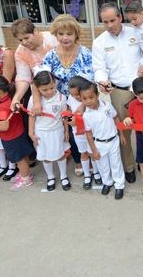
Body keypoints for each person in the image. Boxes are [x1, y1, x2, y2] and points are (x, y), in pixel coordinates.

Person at [92, 2, 143, 184]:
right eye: (105, 22)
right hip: (120, 92)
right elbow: (99, 68)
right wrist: (102, 82)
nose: (109, 25)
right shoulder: (99, 42)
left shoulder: (136, 33)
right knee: (124, 132)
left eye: (112, 20)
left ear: (120, 17)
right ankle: (129, 168)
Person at [41, 14, 94, 177]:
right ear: (55, 35)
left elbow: (92, 80)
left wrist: (83, 104)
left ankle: (90, 157)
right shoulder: (50, 55)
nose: (65, 37)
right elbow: (41, 77)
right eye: (61, 34)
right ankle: (78, 160)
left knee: (85, 129)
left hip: (82, 100)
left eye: (69, 34)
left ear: (76, 35)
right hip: (61, 102)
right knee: (70, 132)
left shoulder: (85, 53)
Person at [0, 75, 33, 191]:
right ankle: (26, 173)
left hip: (12, 137)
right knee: (23, 156)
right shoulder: (9, 99)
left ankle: (25, 178)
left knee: (19, 158)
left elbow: (4, 126)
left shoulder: (2, 106)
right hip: (18, 133)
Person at [81, 78, 127, 200]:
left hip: (113, 140)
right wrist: (93, 150)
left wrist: (121, 134)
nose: (88, 101)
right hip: (99, 144)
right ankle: (107, 182)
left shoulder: (107, 105)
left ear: (97, 95)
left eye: (91, 97)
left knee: (116, 164)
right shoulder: (86, 115)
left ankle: (119, 185)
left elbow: (116, 118)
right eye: (84, 99)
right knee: (103, 165)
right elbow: (89, 134)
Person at [28, 68, 71, 191]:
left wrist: (66, 130)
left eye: (52, 88)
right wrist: (31, 133)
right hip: (41, 132)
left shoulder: (61, 98)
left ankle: (63, 176)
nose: (49, 92)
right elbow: (32, 116)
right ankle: (50, 177)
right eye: (44, 90)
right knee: (45, 157)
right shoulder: (34, 100)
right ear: (37, 88)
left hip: (57, 131)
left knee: (60, 155)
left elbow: (64, 115)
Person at [10, 18, 58, 111]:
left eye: (26, 38)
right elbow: (23, 77)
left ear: (35, 31)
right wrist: (16, 98)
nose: (24, 42)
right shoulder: (20, 52)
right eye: (20, 40)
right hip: (42, 95)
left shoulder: (54, 39)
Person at [67, 76, 102, 189]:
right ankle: (87, 175)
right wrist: (69, 120)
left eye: (77, 94)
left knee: (92, 153)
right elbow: (68, 111)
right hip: (78, 133)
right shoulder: (71, 99)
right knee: (84, 153)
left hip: (91, 133)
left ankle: (96, 172)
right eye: (72, 94)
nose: (75, 97)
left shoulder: (88, 99)